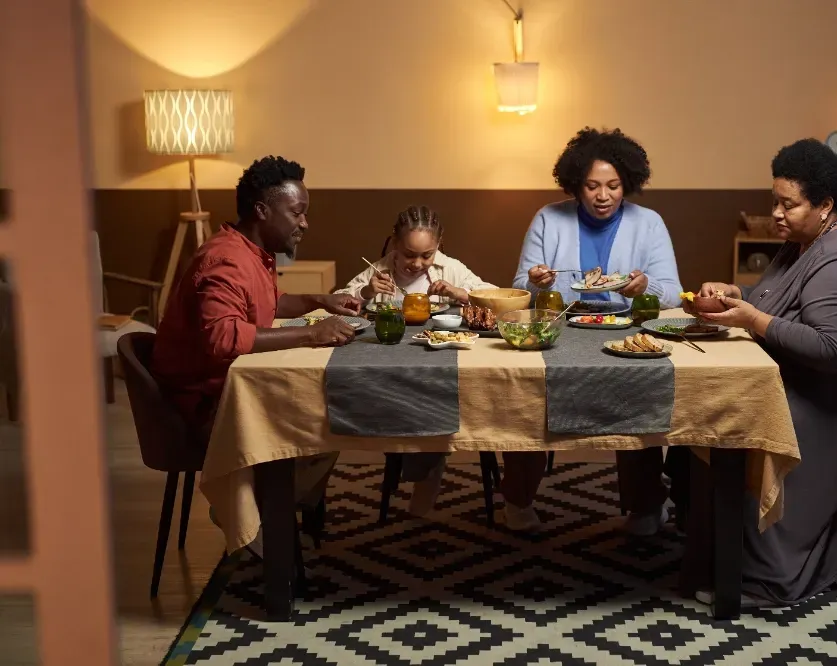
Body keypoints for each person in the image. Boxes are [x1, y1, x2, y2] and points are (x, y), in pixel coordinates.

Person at [686, 138, 837, 606]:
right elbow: (776, 303)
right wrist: (736, 294)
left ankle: (769, 578)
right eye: (773, 201)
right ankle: (721, 548)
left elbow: (833, 348)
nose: (777, 213)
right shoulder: (803, 242)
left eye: (788, 204)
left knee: (744, 425)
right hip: (813, 382)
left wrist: (752, 320)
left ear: (824, 205)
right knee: (712, 414)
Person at [151, 155, 363, 555]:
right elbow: (222, 337)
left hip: (229, 391)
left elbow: (265, 305)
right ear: (262, 210)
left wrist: (320, 299)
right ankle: (248, 510)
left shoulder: (250, 250)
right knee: (327, 420)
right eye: (297, 212)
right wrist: (313, 333)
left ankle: (269, 509)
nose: (305, 223)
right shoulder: (226, 261)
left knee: (330, 417)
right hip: (205, 407)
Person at [506, 127, 683, 533]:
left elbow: (672, 293)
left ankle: (644, 505)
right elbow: (519, 287)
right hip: (559, 331)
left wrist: (646, 287)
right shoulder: (549, 217)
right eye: (592, 186)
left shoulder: (649, 223)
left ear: (628, 184)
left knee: (641, 400)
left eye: (614, 186)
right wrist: (538, 281)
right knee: (523, 397)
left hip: (623, 332)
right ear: (575, 186)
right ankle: (517, 498)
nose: (603, 196)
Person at [337, 205, 496, 516]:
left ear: (439, 246)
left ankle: (425, 473)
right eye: (409, 254)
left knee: (435, 398)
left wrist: (460, 292)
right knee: (403, 399)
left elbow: (493, 295)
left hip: (439, 362)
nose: (418, 263)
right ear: (394, 242)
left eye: (427, 255)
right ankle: (420, 464)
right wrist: (367, 293)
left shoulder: (448, 268)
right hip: (388, 364)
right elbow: (340, 301)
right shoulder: (379, 270)